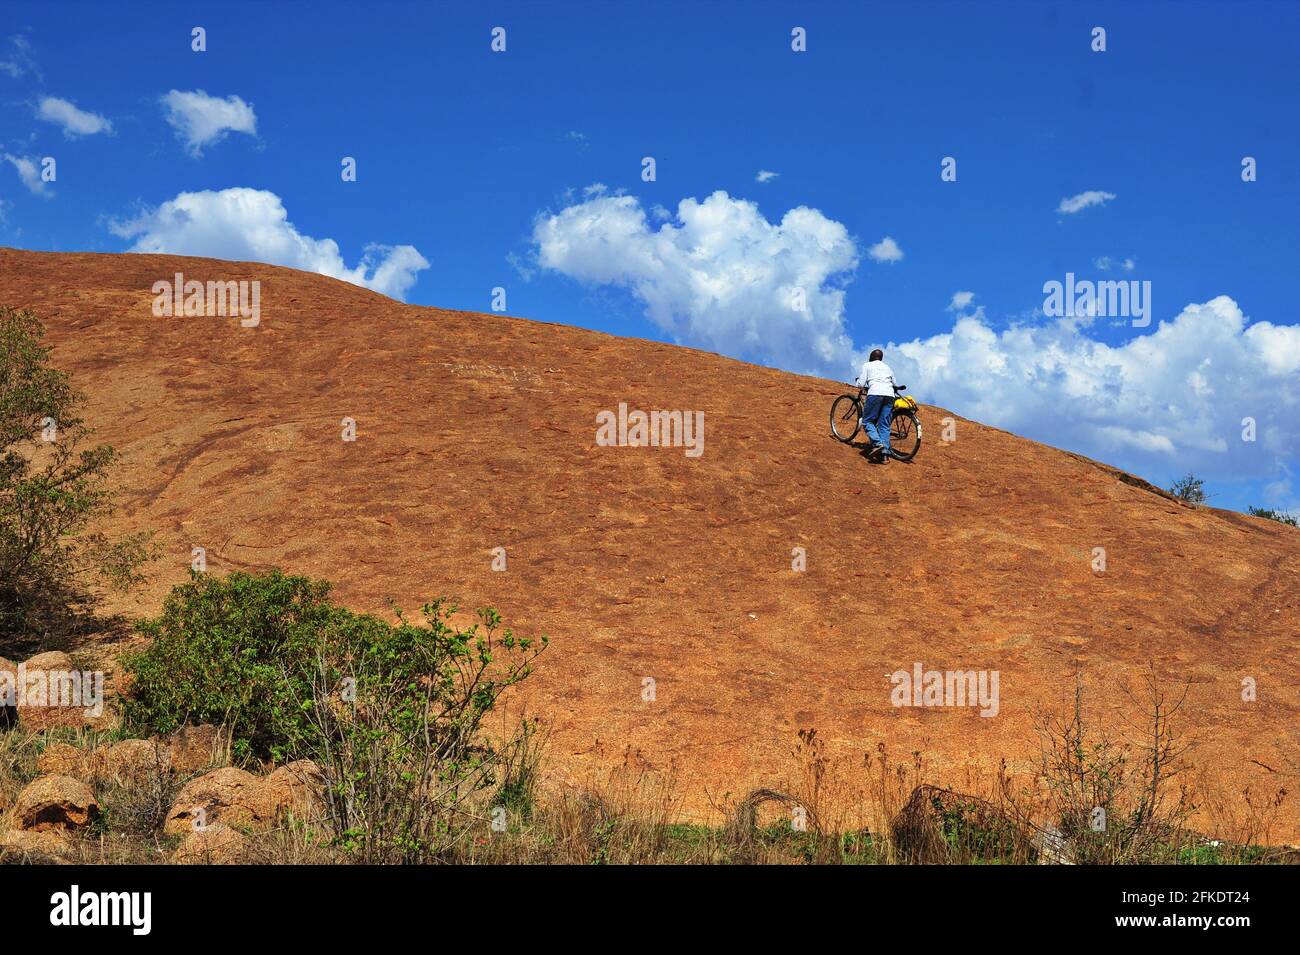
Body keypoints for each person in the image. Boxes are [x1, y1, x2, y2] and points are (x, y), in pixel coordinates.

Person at [858, 348, 896, 464]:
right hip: (889, 395)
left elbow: (861, 383)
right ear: (881, 358)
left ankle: (878, 443)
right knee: (884, 425)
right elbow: (894, 383)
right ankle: (884, 456)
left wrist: (858, 383)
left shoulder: (867, 365)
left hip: (875, 393)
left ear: (871, 357)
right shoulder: (888, 367)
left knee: (867, 421)